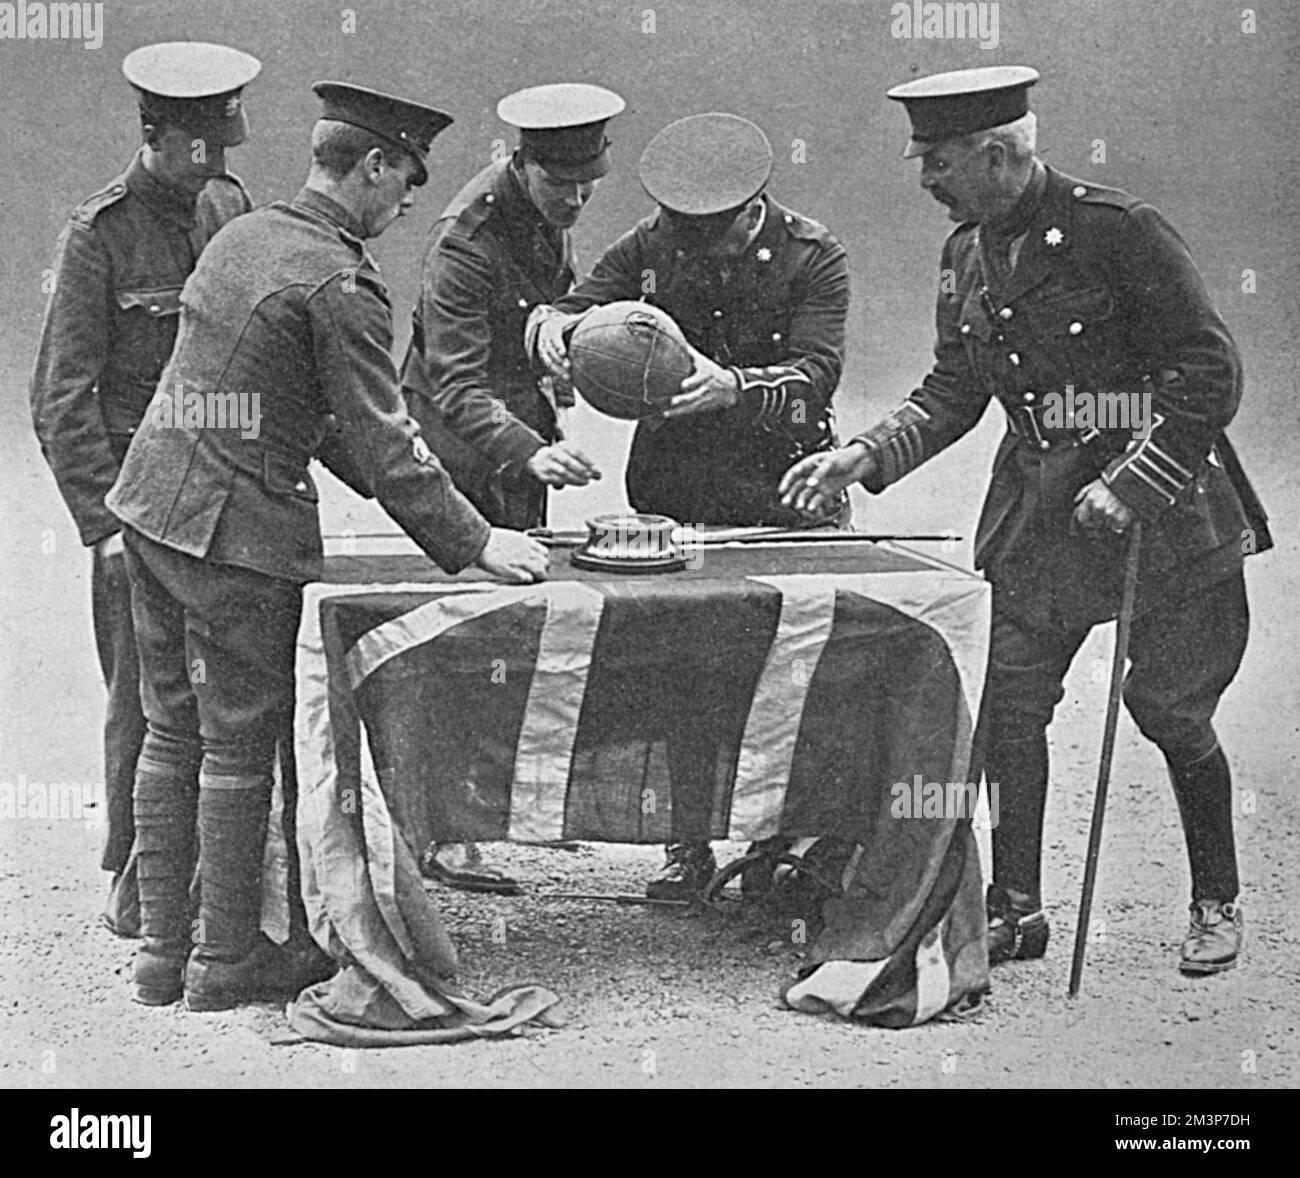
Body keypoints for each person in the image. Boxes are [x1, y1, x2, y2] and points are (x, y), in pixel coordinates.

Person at [780, 66, 1271, 975]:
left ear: (997, 152)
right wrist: (868, 454)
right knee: (1009, 709)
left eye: (937, 162)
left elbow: (1208, 372)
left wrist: (1134, 481)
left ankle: (1215, 900)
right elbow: (955, 388)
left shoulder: (1117, 232)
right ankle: (1017, 908)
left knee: (1171, 711)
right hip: (1040, 514)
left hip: (1164, 513)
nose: (925, 179)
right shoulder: (964, 251)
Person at [105, 81, 549, 1011]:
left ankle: (159, 956)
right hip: (235, 538)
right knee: (237, 742)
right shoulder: (338, 282)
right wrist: (476, 545)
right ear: (375, 165)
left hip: (149, 512)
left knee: (168, 727)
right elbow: (385, 443)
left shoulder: (244, 235)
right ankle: (225, 963)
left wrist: (457, 532)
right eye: (407, 182)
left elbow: (332, 426)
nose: (409, 203)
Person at [529, 112, 851, 899]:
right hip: (675, 496)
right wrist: (555, 332)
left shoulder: (816, 257)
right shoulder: (655, 242)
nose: (687, 247)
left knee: (789, 670)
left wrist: (735, 387)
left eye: (707, 234)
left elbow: (818, 375)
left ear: (751, 214)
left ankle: (778, 849)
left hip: (782, 494)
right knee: (685, 674)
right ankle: (686, 843)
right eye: (677, 232)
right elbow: (574, 303)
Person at [29, 41, 261, 938]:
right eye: (202, 148)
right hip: (137, 503)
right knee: (144, 695)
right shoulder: (100, 233)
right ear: (155, 134)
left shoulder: (228, 205)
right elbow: (59, 398)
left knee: (229, 689)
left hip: (224, 489)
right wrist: (103, 525)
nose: (216, 166)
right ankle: (135, 873)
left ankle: (222, 872)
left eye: (225, 148)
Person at [400, 83, 623, 895]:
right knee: (464, 640)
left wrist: (552, 344)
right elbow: (455, 385)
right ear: (520, 164)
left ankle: (499, 809)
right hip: (461, 451)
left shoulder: (542, 211)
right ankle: (443, 831)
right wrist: (529, 450)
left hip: (518, 432)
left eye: (587, 185)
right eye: (560, 184)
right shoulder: (464, 241)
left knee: (521, 630)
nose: (575, 199)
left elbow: (535, 309)